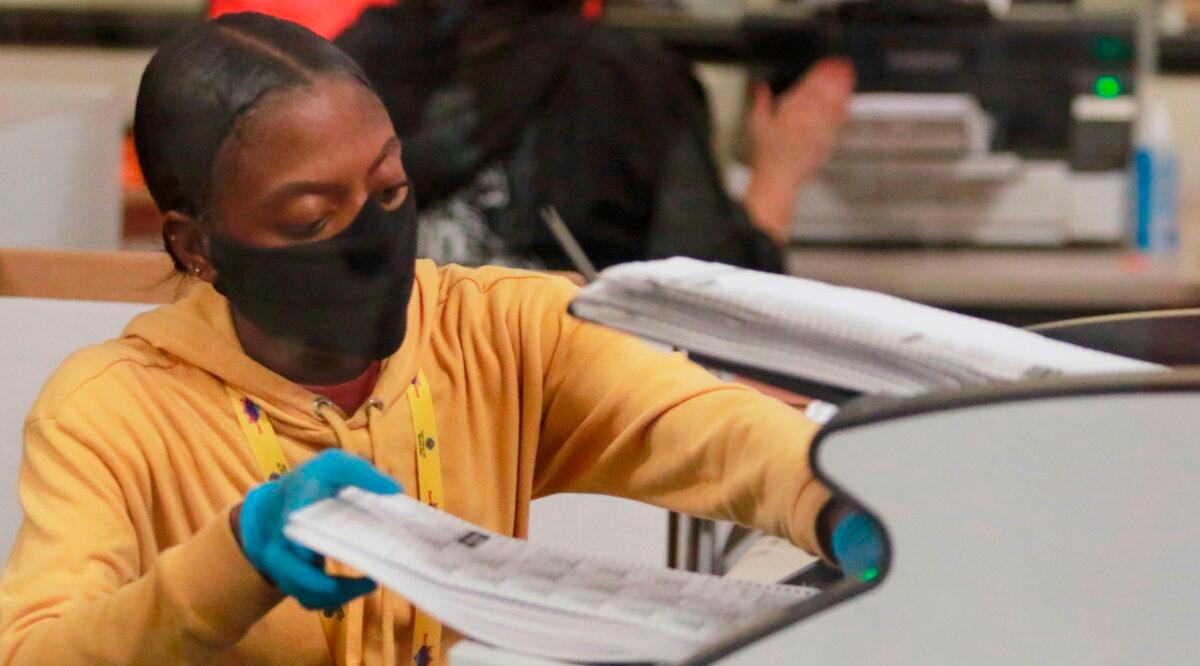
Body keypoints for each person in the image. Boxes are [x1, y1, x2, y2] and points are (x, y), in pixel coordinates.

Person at [0, 13, 878, 664]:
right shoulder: (110, 410)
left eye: (388, 190)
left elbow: (709, 428)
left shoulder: (494, 330)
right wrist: (232, 561)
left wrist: (841, 502)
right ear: (197, 245)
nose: (371, 234)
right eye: (311, 216)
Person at [336, 0, 854, 272]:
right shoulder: (632, 80)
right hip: (566, 438)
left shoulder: (337, 67)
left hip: (381, 425)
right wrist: (780, 179)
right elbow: (711, 304)